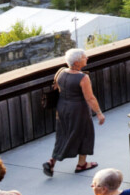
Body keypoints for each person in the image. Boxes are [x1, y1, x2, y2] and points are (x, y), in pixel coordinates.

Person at [44, 49, 104, 177]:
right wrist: (99, 113)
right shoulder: (83, 77)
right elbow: (90, 98)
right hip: (78, 110)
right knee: (85, 134)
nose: (86, 58)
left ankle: (52, 161)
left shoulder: (60, 72)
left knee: (63, 134)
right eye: (84, 57)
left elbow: (57, 88)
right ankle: (81, 164)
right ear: (77, 62)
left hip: (62, 108)